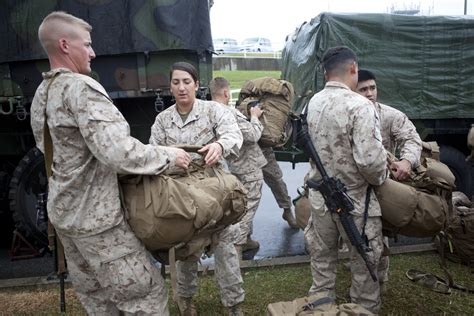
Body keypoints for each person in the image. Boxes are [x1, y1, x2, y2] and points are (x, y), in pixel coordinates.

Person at [30, 11, 192, 315]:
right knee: (145, 297)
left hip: (66, 218)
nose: (93, 52)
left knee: (100, 302)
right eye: (87, 45)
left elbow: (51, 150)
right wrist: (169, 155)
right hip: (98, 222)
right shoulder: (81, 88)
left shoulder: (43, 93)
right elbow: (118, 152)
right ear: (65, 45)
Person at [150, 62, 244, 316]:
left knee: (226, 249)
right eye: (176, 82)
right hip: (182, 195)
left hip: (216, 190)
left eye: (187, 82)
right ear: (170, 86)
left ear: (197, 84)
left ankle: (234, 304)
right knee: (185, 250)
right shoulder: (162, 120)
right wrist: (171, 158)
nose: (182, 87)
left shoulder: (213, 111)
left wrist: (220, 146)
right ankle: (186, 302)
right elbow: (152, 154)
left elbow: (234, 134)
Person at [304, 46, 387, 314]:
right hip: (355, 202)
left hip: (319, 200)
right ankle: (363, 310)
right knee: (364, 266)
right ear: (353, 68)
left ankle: (320, 308)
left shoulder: (313, 102)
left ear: (326, 73)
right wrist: (382, 178)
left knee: (322, 263)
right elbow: (371, 163)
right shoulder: (360, 105)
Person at [356, 69, 422, 292]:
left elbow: (411, 138)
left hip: (381, 186)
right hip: (353, 186)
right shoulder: (346, 116)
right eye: (363, 89)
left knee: (378, 236)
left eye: (372, 88)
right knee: (352, 237)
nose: (369, 93)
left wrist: (407, 161)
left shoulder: (390, 115)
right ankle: (360, 274)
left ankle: (380, 280)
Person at [209, 77, 267, 252]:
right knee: (249, 205)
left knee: (241, 202)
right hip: (248, 165)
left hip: (232, 165)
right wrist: (255, 117)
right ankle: (238, 245)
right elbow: (252, 135)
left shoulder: (208, 111)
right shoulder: (229, 113)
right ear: (226, 93)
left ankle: (246, 239)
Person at [261, 148, 299, 229]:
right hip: (243, 153)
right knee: (246, 190)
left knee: (277, 180)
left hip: (263, 150)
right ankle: (246, 234)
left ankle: (287, 210)